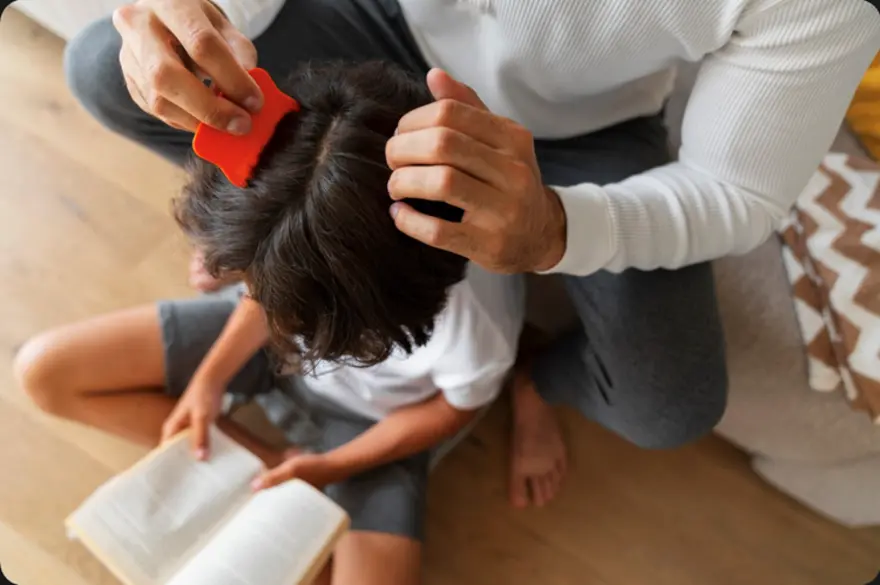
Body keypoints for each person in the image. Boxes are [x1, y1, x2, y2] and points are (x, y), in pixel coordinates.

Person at [63, 0, 879, 509]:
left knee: (669, 406)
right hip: (380, 21)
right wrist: (193, 18)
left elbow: (737, 194)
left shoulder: (473, 340)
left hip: (586, 125)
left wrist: (560, 229)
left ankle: (536, 378)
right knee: (101, 65)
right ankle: (282, 224)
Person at [14, 61, 525, 585]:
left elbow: (453, 407)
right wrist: (210, 381)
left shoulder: (476, 316)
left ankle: (289, 487)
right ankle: (268, 471)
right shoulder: (299, 226)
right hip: (258, 350)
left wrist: (332, 468)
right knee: (43, 370)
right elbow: (267, 301)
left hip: (375, 421)